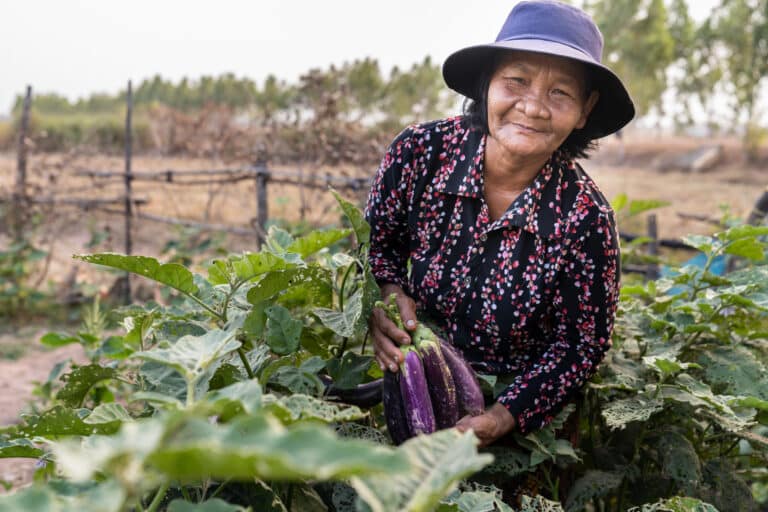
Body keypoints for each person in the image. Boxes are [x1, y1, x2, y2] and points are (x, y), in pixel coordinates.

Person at [365, 0, 635, 447]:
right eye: (517, 80)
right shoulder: (419, 153)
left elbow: (579, 346)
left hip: (517, 423)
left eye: (560, 93)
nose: (533, 107)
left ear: (584, 110)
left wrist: (502, 418)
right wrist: (388, 298)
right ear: (487, 83)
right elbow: (378, 247)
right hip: (410, 384)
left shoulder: (586, 219)